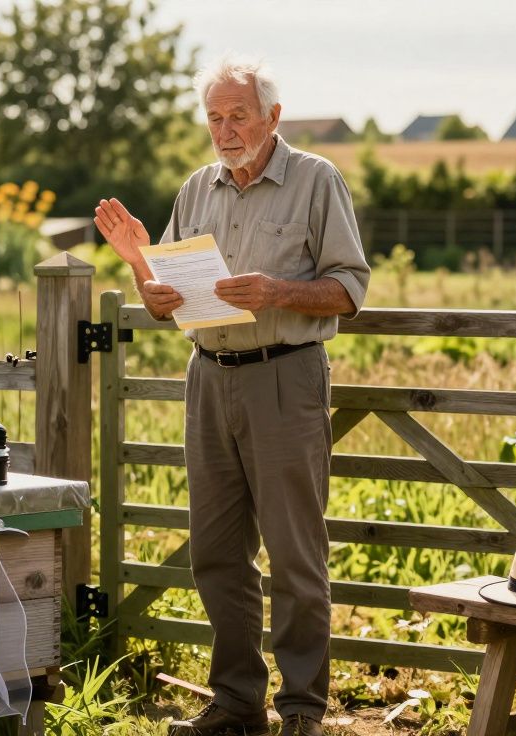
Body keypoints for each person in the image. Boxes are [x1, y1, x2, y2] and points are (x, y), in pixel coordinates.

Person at [94, 57, 370, 736]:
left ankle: (303, 709)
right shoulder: (196, 188)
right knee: (215, 551)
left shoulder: (315, 180)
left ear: (272, 117)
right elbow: (165, 296)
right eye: (214, 117)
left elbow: (350, 288)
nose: (224, 129)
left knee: (296, 552)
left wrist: (277, 292)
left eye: (237, 114)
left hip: (287, 376)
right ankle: (238, 701)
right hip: (208, 378)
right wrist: (145, 285)